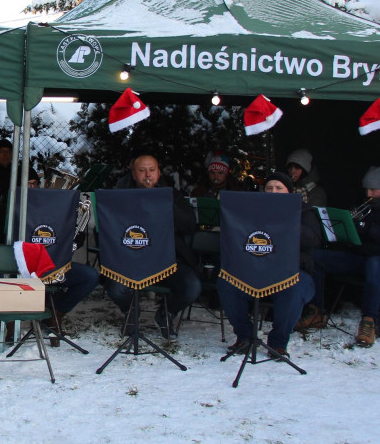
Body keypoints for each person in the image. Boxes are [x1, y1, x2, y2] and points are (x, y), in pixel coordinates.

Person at [300, 166, 380, 347]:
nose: (369, 193)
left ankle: (369, 321)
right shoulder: (365, 203)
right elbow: (351, 238)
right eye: (366, 189)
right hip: (359, 257)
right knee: (316, 257)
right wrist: (347, 229)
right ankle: (317, 310)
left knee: (374, 264)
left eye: (373, 190)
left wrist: (369, 228)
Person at [100, 153, 202, 339]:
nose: (148, 175)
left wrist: (164, 204)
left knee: (192, 287)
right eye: (142, 171)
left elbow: (188, 226)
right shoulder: (121, 197)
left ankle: (165, 313)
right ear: (134, 175)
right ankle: (131, 309)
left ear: (159, 173)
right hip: (132, 260)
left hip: (168, 262)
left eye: (152, 170)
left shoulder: (171, 195)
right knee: (115, 288)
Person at [217, 171, 319, 357]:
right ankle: (245, 337)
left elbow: (313, 239)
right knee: (227, 283)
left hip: (291, 273)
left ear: (289, 192)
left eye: (279, 188)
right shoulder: (252, 210)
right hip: (255, 270)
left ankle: (278, 343)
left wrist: (287, 220)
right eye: (269, 188)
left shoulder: (304, 211)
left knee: (295, 290)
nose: (273, 192)